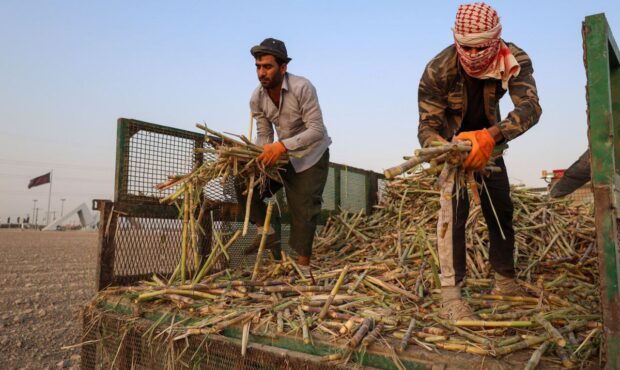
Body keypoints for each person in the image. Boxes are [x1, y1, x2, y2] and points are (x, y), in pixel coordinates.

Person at [417, 3, 542, 320]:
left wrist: (491, 137)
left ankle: (504, 280)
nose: (472, 54)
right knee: (452, 219)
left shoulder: (512, 59)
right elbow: (426, 127)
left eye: (480, 48)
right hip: (452, 151)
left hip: (492, 146)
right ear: (456, 40)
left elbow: (530, 107)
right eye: (466, 47)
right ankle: (451, 297)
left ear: (496, 40)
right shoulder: (438, 70)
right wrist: (446, 149)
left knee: (501, 209)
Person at [236, 38, 331, 275]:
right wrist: (258, 159)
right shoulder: (256, 98)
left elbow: (317, 130)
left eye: (267, 66)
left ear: (283, 67)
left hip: (311, 155)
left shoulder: (302, 87)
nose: (261, 73)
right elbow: (264, 134)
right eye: (258, 67)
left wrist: (282, 146)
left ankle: (303, 267)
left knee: (303, 208)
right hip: (281, 156)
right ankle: (266, 234)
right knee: (244, 184)